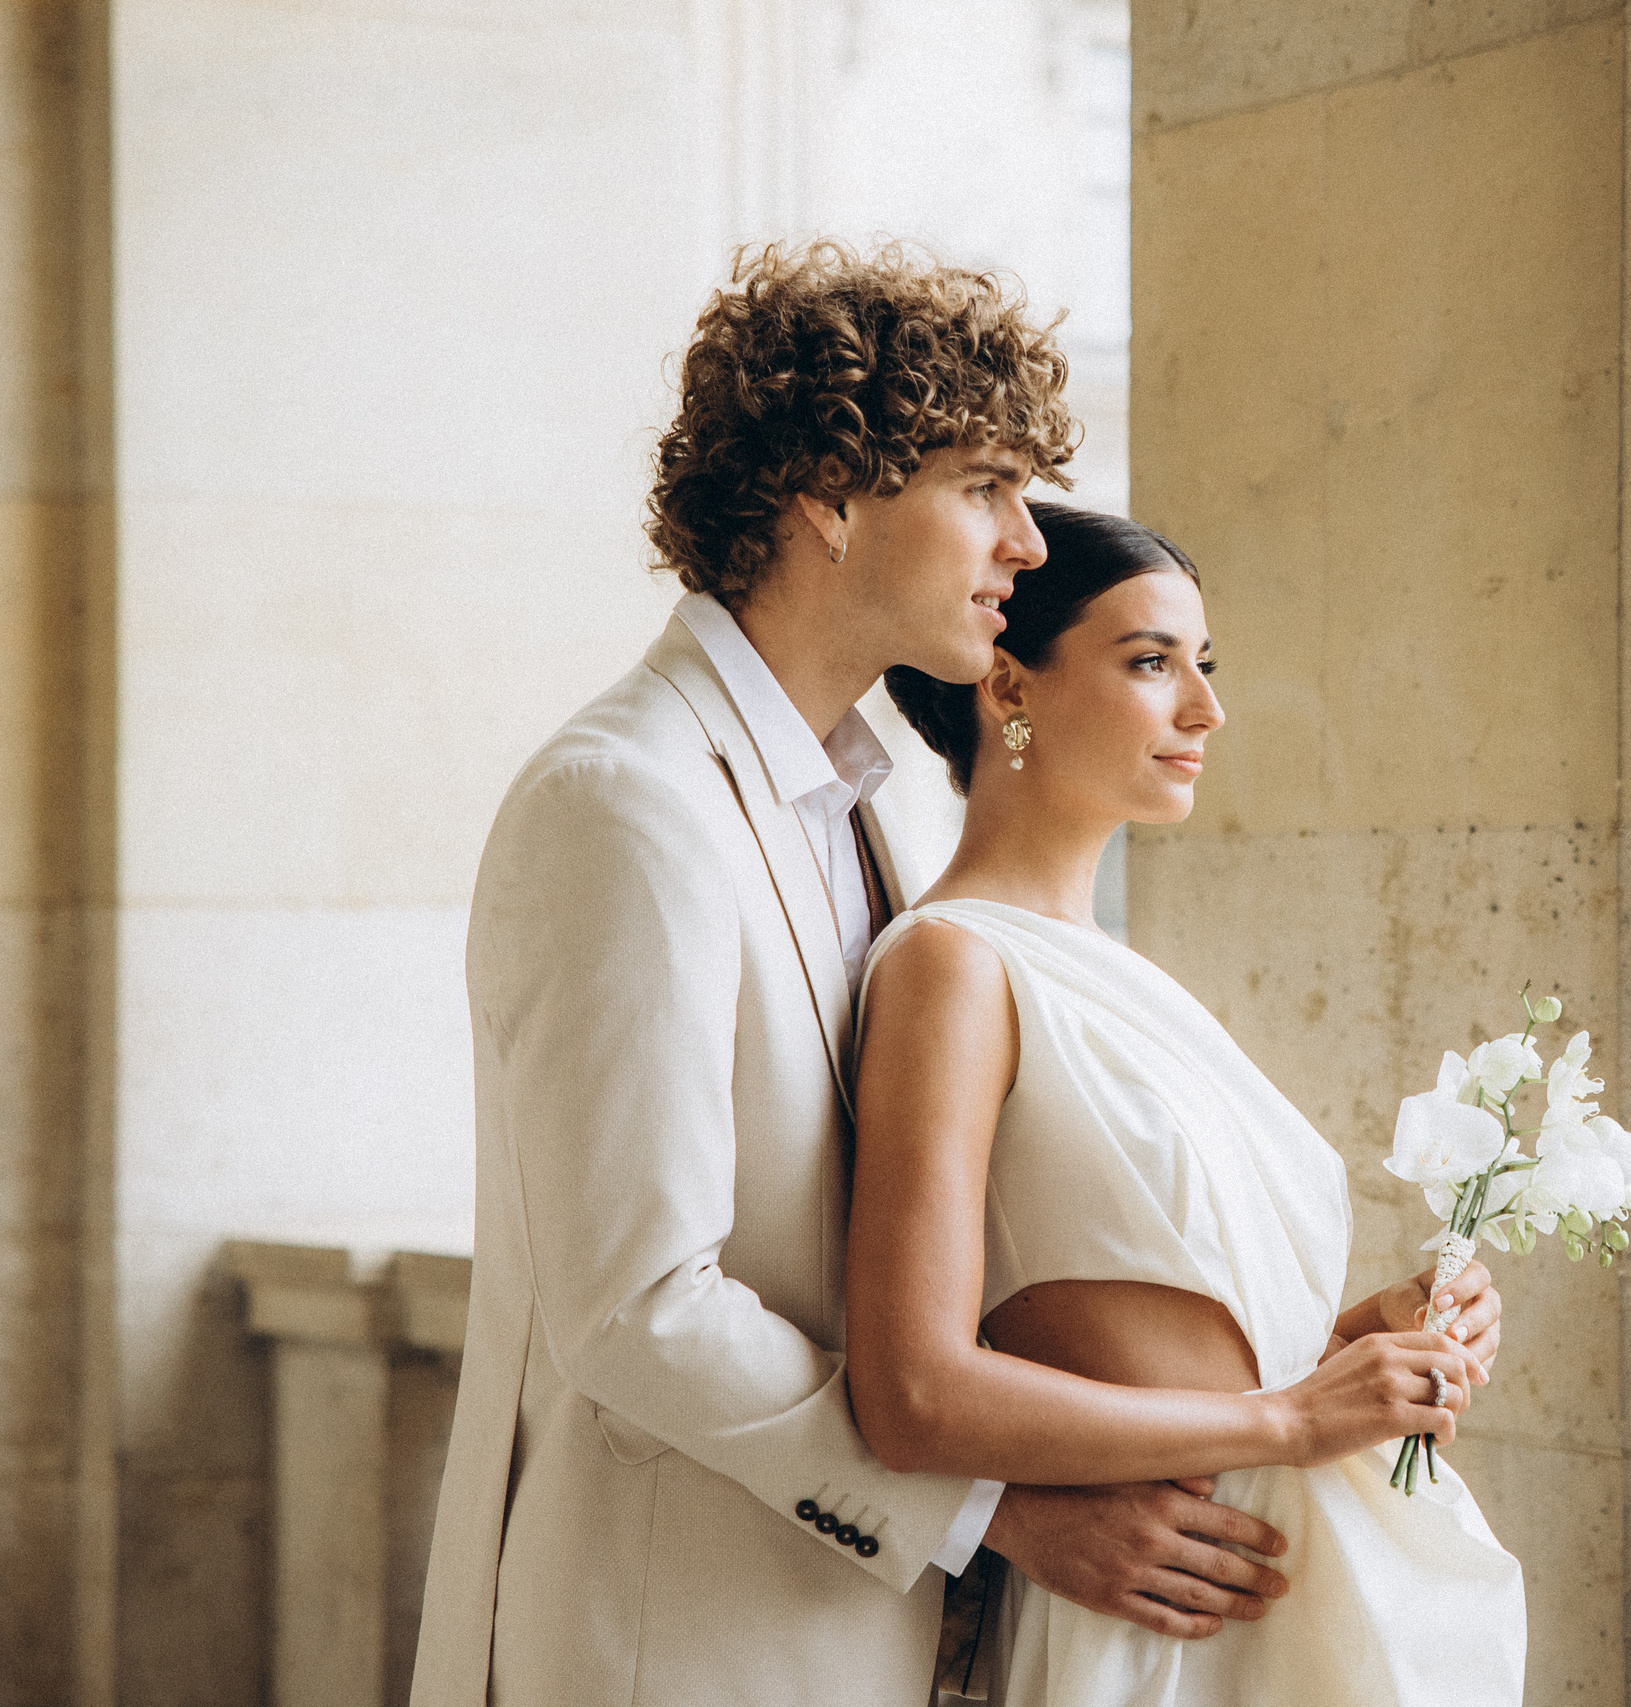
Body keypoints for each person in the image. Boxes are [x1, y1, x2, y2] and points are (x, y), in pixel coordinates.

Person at [412, 242, 1484, 1707]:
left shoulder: (852, 812)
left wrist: (1298, 1360)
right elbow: (639, 1305)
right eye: (984, 487)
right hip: (678, 1643)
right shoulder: (627, 799)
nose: (1028, 545)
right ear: (829, 499)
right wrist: (996, 1512)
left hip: (868, 1639)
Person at [851, 504, 1529, 1705]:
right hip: (1167, 1618)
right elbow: (916, 1395)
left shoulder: (1118, 972)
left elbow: (1174, 1338)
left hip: (1301, 1585)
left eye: (1201, 667)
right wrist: (1285, 1420)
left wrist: (1363, 1342)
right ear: (1008, 687)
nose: (1205, 711)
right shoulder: (952, 965)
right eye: (1151, 663)